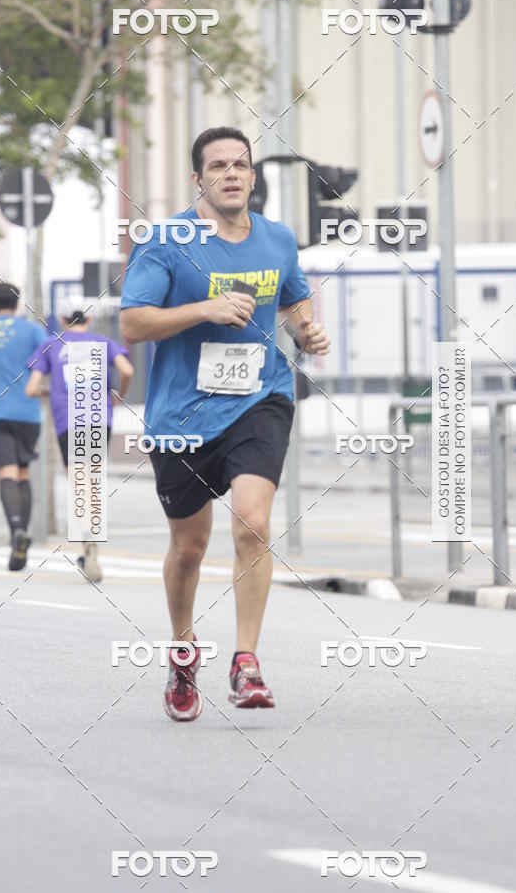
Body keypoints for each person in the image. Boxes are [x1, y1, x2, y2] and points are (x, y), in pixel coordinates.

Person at [120, 126, 330, 721]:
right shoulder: (167, 242)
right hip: (181, 414)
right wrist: (203, 310)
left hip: (259, 400)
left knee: (253, 523)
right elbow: (133, 324)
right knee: (189, 548)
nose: (231, 174)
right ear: (198, 180)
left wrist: (304, 330)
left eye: (241, 165)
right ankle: (183, 651)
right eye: (218, 166)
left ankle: (245, 663)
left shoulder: (278, 239)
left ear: (254, 177)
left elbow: (292, 299)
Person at [25, 292, 133, 582]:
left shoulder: (52, 345)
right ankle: (92, 542)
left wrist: (52, 392)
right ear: (90, 318)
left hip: (68, 422)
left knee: (78, 484)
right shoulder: (104, 343)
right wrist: (118, 395)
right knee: (93, 481)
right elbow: (127, 369)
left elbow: (31, 388)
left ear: (61, 319)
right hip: (99, 420)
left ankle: (88, 539)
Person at [0, 282, 47, 570]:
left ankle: (15, 530)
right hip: (28, 413)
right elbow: (45, 364)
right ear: (18, 304)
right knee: (23, 474)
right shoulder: (33, 331)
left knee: (7, 475)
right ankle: (22, 534)